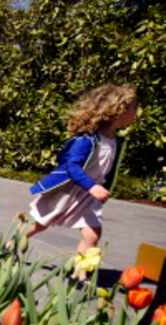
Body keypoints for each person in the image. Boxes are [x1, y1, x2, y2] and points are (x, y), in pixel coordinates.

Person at [22, 84, 137, 255]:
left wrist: (101, 187)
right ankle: (10, 243)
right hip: (68, 190)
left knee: (92, 235)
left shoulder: (116, 141)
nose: (137, 112)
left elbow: (106, 170)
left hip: (88, 197)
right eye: (134, 108)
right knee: (39, 224)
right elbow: (70, 166)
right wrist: (92, 186)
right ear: (119, 110)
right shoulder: (87, 139)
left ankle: (80, 274)